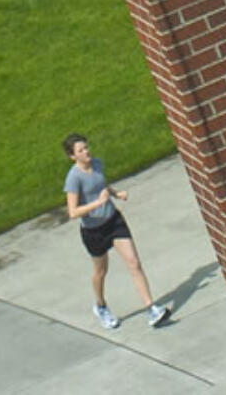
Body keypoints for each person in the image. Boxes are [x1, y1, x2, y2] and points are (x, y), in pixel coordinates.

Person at [61, 132, 172, 331]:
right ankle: (101, 306)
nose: (86, 152)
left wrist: (115, 193)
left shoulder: (97, 164)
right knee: (100, 272)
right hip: (93, 230)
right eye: (81, 150)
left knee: (134, 263)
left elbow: (101, 185)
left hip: (114, 221)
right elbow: (72, 212)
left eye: (86, 147)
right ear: (72, 156)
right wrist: (98, 203)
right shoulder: (73, 179)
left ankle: (151, 309)